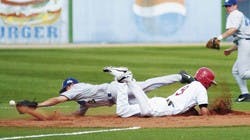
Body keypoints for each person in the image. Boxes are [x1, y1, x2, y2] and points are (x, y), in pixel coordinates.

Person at [36, 66, 194, 116]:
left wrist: (37, 105)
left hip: (115, 91)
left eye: (65, 88)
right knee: (144, 110)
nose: (65, 91)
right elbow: (79, 113)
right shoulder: (82, 99)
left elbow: (58, 99)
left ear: (70, 86)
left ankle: (179, 76)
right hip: (118, 97)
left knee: (146, 86)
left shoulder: (76, 89)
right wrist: (62, 119)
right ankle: (180, 110)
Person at [114, 67, 216, 117]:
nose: (210, 85)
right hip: (163, 107)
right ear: (206, 80)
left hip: (161, 102)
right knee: (147, 111)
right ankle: (129, 79)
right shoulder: (201, 89)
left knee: (123, 111)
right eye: (210, 83)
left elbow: (189, 107)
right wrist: (211, 118)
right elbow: (204, 111)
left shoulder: (192, 86)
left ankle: (120, 81)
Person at [215, 0, 250, 102]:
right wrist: (230, 49)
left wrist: (219, 38)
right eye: (226, 6)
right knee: (235, 71)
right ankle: (245, 94)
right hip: (245, 42)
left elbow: (233, 30)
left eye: (229, 5)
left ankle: (245, 94)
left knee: (243, 74)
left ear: (235, 5)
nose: (227, 8)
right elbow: (242, 38)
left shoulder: (234, 14)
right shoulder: (240, 15)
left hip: (246, 43)